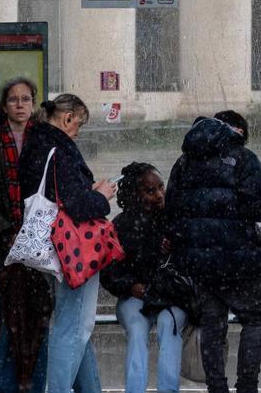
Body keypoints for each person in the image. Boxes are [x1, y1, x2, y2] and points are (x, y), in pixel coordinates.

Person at [165, 115, 261, 393]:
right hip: (240, 261)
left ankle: (217, 386)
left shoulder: (183, 164)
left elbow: (173, 213)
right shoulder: (243, 159)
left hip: (200, 265)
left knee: (212, 325)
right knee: (256, 318)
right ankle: (247, 385)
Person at [18, 93, 116, 393]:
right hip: (73, 248)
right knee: (73, 327)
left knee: (75, 328)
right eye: (79, 125)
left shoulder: (34, 143)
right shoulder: (59, 148)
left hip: (49, 243)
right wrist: (101, 195)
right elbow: (76, 204)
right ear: (67, 117)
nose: (78, 132)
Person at [0, 77, 51, 393]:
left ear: (33, 104)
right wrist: (6, 230)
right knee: (2, 327)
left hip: (38, 249)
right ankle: (3, 388)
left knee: (39, 326)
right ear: (3, 105)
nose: (20, 105)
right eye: (13, 99)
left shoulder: (45, 140)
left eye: (25, 99)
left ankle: (35, 388)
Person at [102, 162, 185, 393]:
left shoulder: (174, 220)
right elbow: (109, 273)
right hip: (134, 298)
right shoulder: (120, 226)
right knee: (138, 330)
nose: (159, 195)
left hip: (169, 297)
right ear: (134, 195)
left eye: (161, 187)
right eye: (150, 191)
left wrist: (175, 248)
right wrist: (132, 287)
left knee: (170, 325)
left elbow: (190, 261)